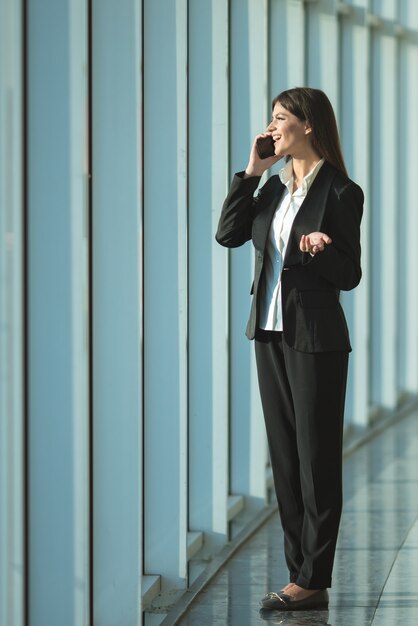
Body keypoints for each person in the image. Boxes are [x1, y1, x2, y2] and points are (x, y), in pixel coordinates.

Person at [216, 87, 364, 611]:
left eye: (281, 119)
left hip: (317, 340)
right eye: (271, 119)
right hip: (270, 335)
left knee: (316, 457)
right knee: (284, 455)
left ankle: (313, 576)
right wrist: (251, 172)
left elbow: (349, 274)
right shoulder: (273, 189)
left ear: (308, 124)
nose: (272, 127)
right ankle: (300, 571)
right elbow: (228, 234)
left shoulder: (342, 192)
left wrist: (320, 251)